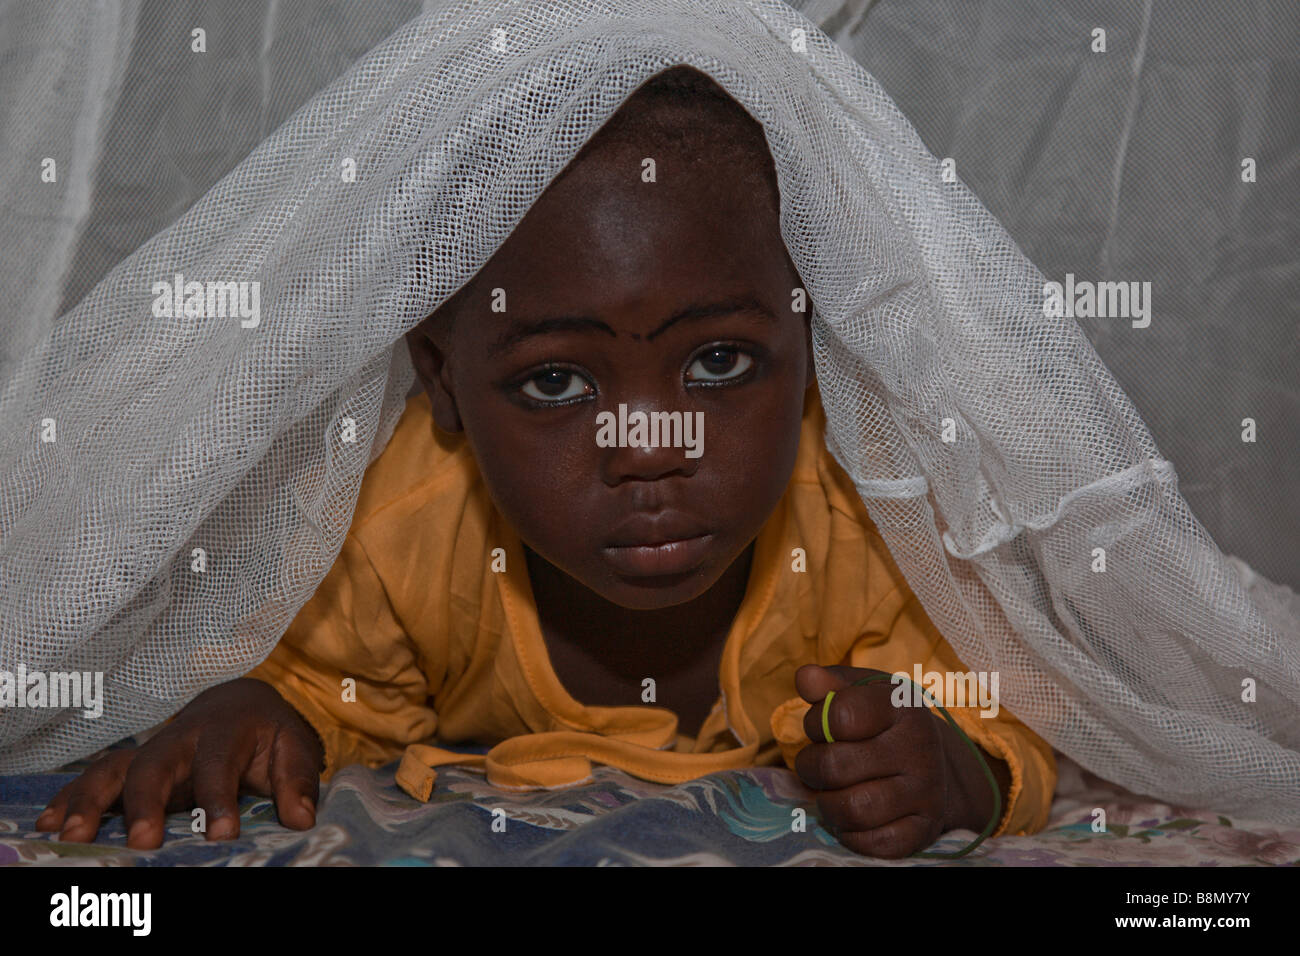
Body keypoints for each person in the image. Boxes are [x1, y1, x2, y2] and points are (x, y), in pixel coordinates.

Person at [36, 65, 1056, 858]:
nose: (651, 447)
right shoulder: (410, 529)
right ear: (440, 378)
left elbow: (1003, 703)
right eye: (557, 383)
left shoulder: (860, 521)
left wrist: (954, 767)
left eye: (719, 362)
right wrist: (254, 715)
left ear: (813, 348)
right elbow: (321, 683)